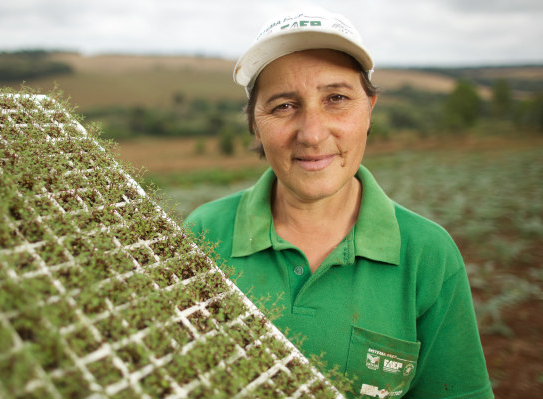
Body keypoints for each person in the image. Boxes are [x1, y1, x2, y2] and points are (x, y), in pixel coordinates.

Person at [183, 7, 494, 399]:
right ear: (255, 123)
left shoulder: (428, 256)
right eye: (283, 106)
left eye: (336, 98)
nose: (312, 134)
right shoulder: (203, 234)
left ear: (369, 110)